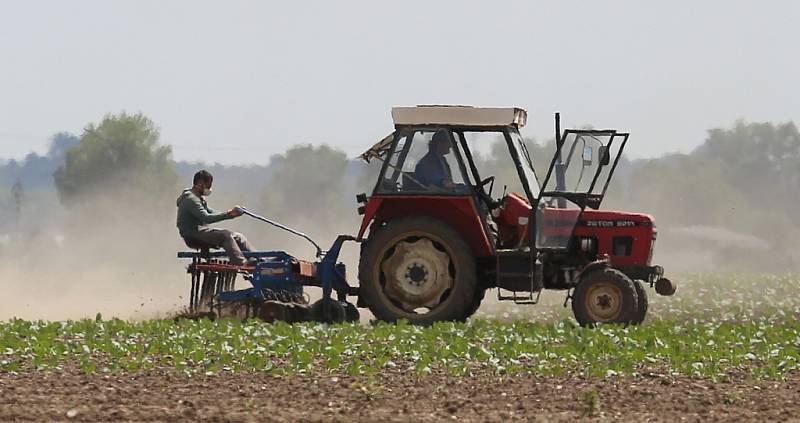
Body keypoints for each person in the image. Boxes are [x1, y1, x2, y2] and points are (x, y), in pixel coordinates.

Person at [176, 170, 255, 266]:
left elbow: (210, 212)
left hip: (200, 232)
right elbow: (207, 217)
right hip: (192, 235)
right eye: (208, 186)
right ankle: (242, 263)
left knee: (238, 237)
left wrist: (231, 213)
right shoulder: (191, 199)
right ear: (200, 184)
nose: (209, 189)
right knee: (225, 235)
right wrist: (229, 214)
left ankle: (260, 261)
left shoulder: (198, 198)